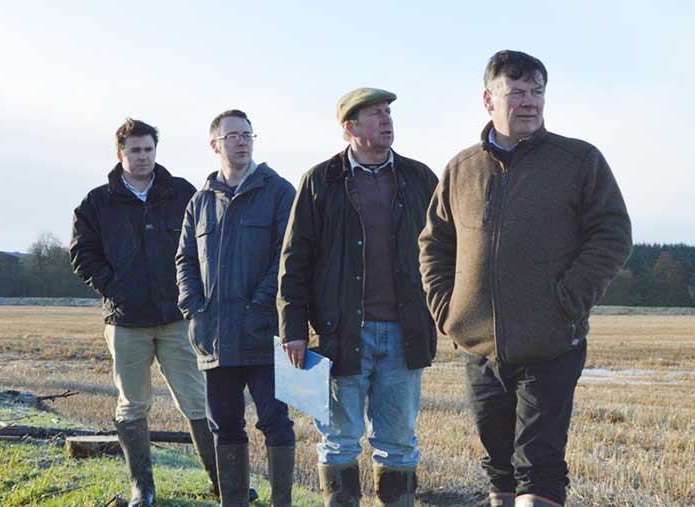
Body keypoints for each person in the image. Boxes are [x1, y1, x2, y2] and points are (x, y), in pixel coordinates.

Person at [418, 50, 633, 507]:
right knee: (499, 469)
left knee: (538, 468)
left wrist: (568, 300)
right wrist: (448, 311)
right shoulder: (461, 169)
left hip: (550, 343)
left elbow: (613, 234)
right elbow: (434, 245)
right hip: (479, 348)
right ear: (488, 99)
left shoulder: (578, 161)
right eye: (516, 92)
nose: (529, 102)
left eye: (536, 91)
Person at [277, 88, 438, 507]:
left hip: (405, 333)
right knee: (340, 442)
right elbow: (295, 261)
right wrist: (293, 329)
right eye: (375, 114)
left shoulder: (420, 178)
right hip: (341, 333)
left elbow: (446, 251)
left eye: (388, 113)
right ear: (350, 128)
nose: (387, 120)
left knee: (399, 443)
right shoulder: (319, 181)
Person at [70, 118, 221, 506]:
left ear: (157, 151)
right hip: (126, 321)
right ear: (120, 153)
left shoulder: (183, 193)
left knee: (197, 400)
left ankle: (222, 483)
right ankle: (143, 488)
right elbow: (82, 255)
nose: (143, 157)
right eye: (135, 150)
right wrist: (116, 287)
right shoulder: (96, 203)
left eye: (149, 149)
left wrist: (195, 295)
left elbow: (205, 246)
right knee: (132, 403)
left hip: (176, 319)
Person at [176, 110, 296, 507]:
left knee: (275, 423)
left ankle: (282, 502)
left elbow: (287, 258)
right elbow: (185, 261)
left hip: (264, 334)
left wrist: (260, 305)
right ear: (215, 145)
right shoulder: (199, 202)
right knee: (225, 426)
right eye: (232, 136)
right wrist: (194, 309)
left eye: (247, 135)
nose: (242, 142)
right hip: (215, 338)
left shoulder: (279, 192)